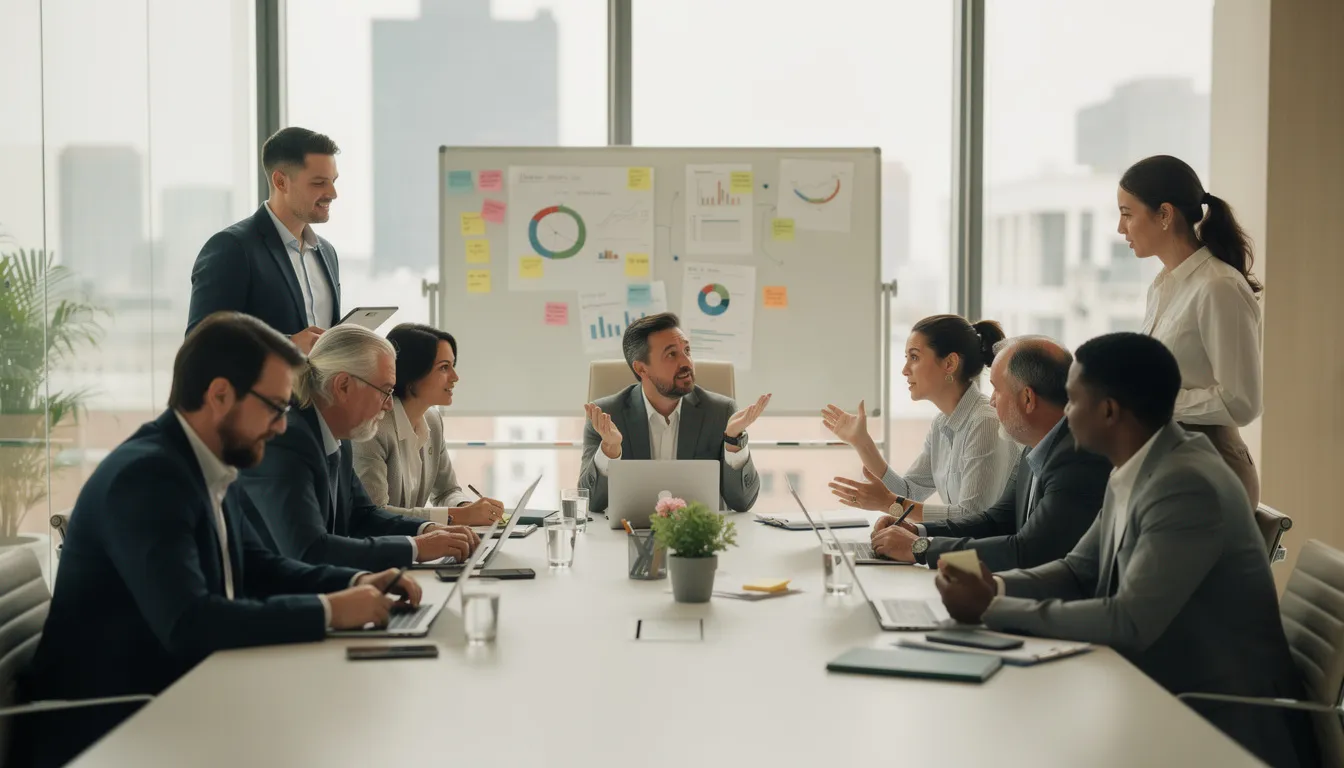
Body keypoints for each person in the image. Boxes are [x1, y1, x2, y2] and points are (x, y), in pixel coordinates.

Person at [20, 313, 420, 768]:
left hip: (179, 696)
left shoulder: (205, 463)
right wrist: (330, 610)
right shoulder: (148, 477)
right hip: (112, 727)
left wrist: (358, 579)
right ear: (219, 395)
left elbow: (261, 566)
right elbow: (190, 623)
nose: (282, 426)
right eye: (275, 407)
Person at [935, 333, 1315, 768]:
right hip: (1163, 690)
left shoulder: (1186, 484)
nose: (1064, 414)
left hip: (1220, 724)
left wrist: (991, 609)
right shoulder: (1135, 466)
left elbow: (1128, 620)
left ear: (1109, 411)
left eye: (1073, 401)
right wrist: (996, 586)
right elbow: (1078, 570)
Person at [237, 324, 480, 570]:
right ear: (343, 386)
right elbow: (309, 550)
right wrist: (416, 547)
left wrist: (428, 530)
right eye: (385, 391)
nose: (388, 405)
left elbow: (362, 514)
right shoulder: (287, 440)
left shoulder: (339, 437)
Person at [869, 337, 1110, 570]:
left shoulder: (1077, 461)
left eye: (996, 390)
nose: (992, 402)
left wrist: (921, 549)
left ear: (1028, 399)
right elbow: (996, 522)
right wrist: (919, 532)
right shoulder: (1035, 445)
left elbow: (1026, 553)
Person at [1118, 154, 1263, 506]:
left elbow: (1241, 402)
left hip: (1212, 467)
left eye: (1126, 214)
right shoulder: (1162, 286)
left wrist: (1153, 404)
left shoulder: (1218, 286)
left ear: (1164, 214)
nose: (1121, 229)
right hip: (1173, 462)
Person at [825, 314, 1019, 523]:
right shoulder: (941, 425)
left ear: (950, 363)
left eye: (914, 357)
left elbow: (971, 517)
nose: (904, 370)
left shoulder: (985, 423)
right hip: (962, 550)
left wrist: (888, 503)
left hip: (981, 555)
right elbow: (909, 492)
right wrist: (862, 443)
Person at [579, 312, 769, 513]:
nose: (686, 362)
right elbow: (590, 502)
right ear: (641, 369)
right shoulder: (607, 416)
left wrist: (734, 443)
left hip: (696, 539)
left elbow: (742, 502)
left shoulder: (720, 413)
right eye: (671, 354)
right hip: (626, 538)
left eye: (687, 350)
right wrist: (610, 449)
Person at [187, 127, 344, 353]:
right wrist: (287, 347)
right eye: (319, 183)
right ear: (281, 182)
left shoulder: (327, 253)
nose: (333, 193)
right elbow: (200, 346)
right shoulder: (231, 249)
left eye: (333, 181)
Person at [353, 323, 504, 525]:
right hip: (384, 550)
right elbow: (376, 514)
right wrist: (459, 516)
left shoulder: (432, 419)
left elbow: (447, 491)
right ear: (411, 374)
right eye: (444, 368)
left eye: (453, 366)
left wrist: (463, 507)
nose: (455, 377)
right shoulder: (373, 429)